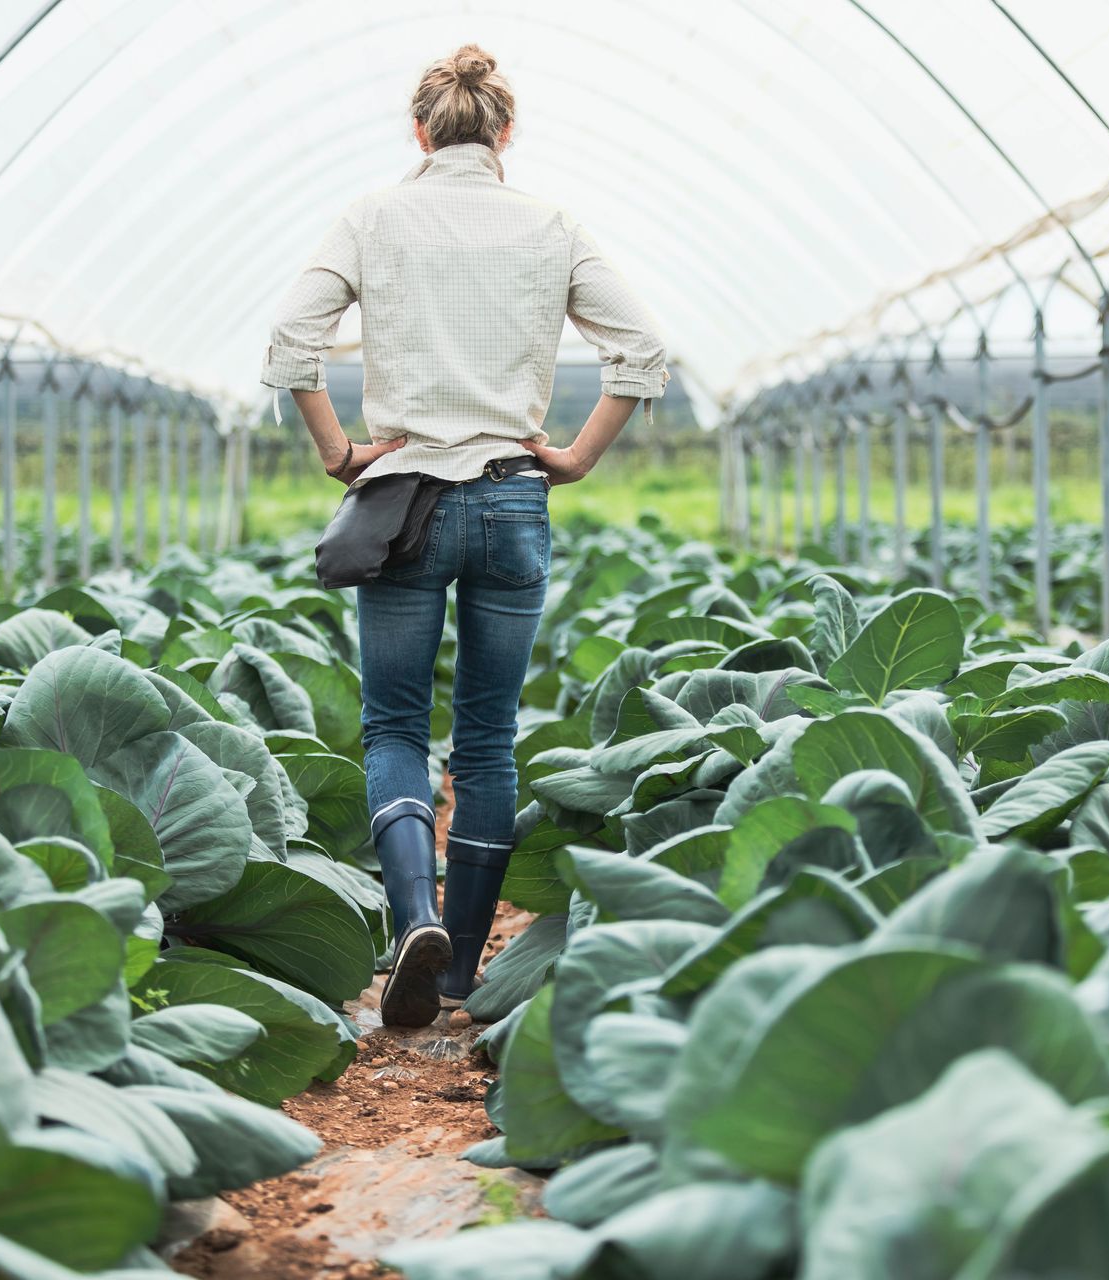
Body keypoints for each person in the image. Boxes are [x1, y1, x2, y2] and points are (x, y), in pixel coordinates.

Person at [260, 44, 667, 1027]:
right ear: (505, 133)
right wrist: (571, 456)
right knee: (487, 740)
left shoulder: (373, 217)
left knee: (395, 725)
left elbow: (289, 342)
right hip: (511, 498)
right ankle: (460, 976)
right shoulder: (549, 225)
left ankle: (413, 918)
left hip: (401, 498)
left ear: (420, 132)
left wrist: (337, 452)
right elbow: (642, 350)